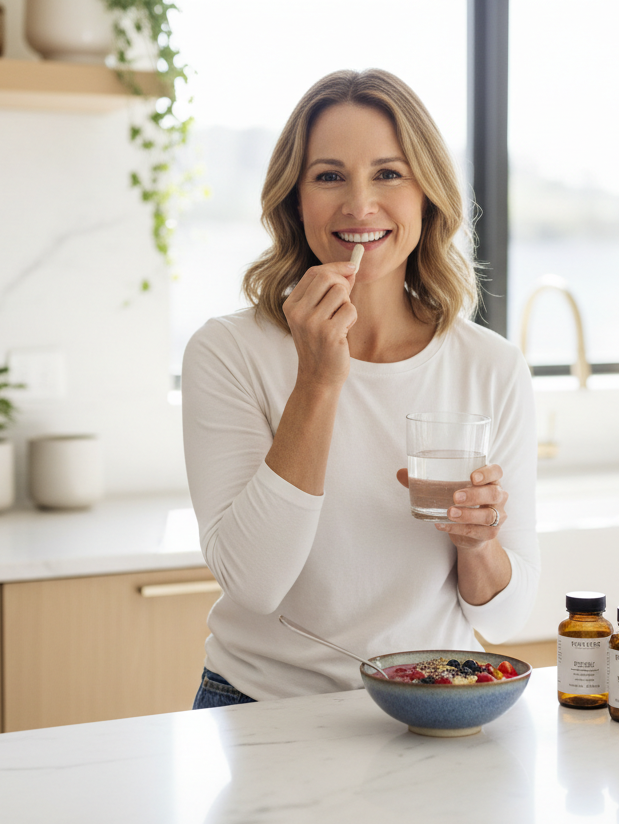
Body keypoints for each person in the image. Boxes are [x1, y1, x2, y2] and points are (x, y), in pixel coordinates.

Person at [182, 69, 539, 707]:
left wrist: (476, 542)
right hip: (265, 709)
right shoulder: (229, 353)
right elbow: (255, 584)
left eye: (388, 173)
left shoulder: (491, 366)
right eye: (328, 176)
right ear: (295, 200)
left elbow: (506, 620)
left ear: (427, 195)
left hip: (434, 702)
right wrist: (317, 380)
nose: (359, 204)